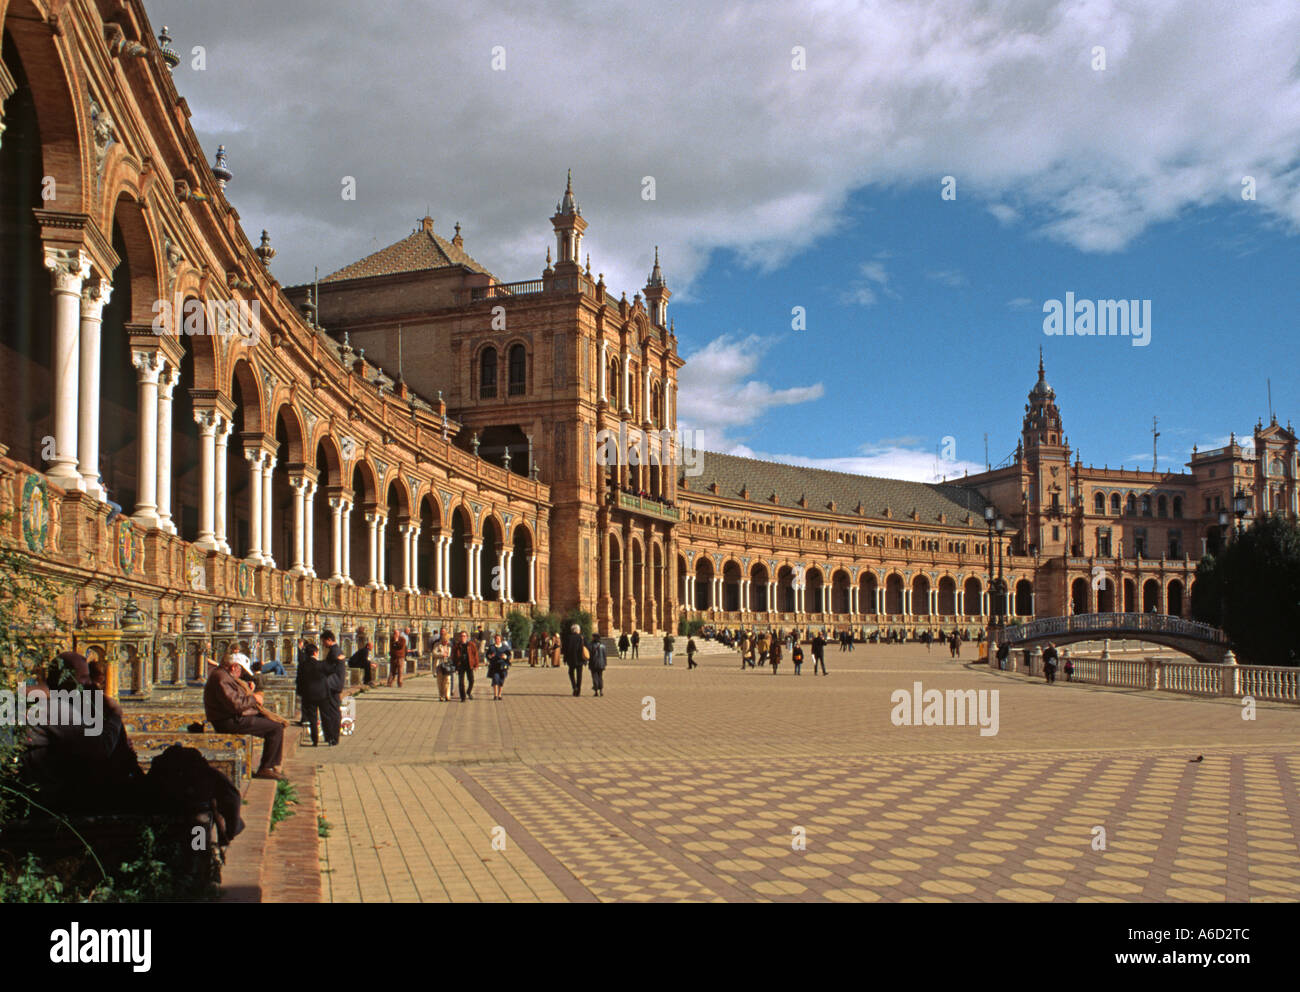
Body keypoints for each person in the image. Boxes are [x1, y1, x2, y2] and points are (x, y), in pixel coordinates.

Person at [204, 647, 286, 780]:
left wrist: (246, 687)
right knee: (275, 728)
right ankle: (266, 768)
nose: (240, 674)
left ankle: (272, 765)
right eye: (240, 671)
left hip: (232, 718)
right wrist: (254, 698)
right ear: (234, 667)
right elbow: (236, 705)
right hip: (228, 721)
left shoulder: (223, 675)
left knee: (275, 724)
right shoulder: (221, 678)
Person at [296, 642, 330, 746]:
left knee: (312, 717)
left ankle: (314, 740)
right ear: (315, 653)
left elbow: (299, 680)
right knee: (325, 716)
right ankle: (329, 738)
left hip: (309, 694)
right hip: (322, 694)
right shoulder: (321, 664)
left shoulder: (302, 666)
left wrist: (301, 693)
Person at [319, 630, 346, 744]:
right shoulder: (336, 650)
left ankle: (333, 737)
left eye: (323, 641)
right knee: (334, 710)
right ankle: (333, 736)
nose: (323, 644)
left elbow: (328, 667)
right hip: (336, 684)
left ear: (329, 640)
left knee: (332, 711)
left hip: (332, 685)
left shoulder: (334, 651)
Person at [452, 630, 479, 701]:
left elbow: (475, 654)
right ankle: (463, 697)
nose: (463, 637)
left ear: (467, 637)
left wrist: (476, 665)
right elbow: (453, 656)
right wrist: (455, 667)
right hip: (460, 665)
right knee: (461, 682)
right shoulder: (457, 646)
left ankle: (469, 692)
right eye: (461, 636)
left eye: (464, 636)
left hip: (469, 664)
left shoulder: (471, 645)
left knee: (471, 680)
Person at [485, 632, 511, 701]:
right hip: (494, 666)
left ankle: (500, 694)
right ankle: (495, 695)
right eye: (496, 639)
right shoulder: (492, 647)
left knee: (501, 681)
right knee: (495, 680)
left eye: (498, 639)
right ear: (494, 639)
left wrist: (505, 657)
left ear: (501, 639)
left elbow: (509, 655)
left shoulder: (505, 648)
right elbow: (487, 655)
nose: (497, 640)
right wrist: (490, 656)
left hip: (502, 667)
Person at [563, 623, 587, 696]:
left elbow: (565, 649)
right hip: (580, 659)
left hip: (571, 659)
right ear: (578, 630)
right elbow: (585, 648)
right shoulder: (581, 637)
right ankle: (578, 691)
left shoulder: (568, 638)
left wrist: (565, 659)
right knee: (579, 675)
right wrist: (585, 660)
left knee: (571, 673)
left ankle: (574, 687)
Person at [433, 629, 453, 701]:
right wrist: (442, 654)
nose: (446, 642)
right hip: (439, 665)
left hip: (447, 665)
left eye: (447, 640)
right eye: (445, 640)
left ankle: (447, 695)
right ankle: (441, 695)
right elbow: (434, 653)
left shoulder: (449, 646)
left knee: (447, 680)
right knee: (440, 681)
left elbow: (451, 655)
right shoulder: (437, 645)